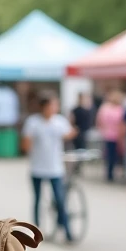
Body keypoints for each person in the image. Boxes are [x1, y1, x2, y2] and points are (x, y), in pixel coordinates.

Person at [22, 92, 77, 241]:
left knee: (60, 200)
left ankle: (66, 230)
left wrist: (73, 126)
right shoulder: (33, 122)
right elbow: (26, 144)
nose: (54, 108)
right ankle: (36, 231)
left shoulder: (59, 121)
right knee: (37, 200)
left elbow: (70, 133)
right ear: (44, 107)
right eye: (52, 105)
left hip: (55, 168)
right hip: (37, 167)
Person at [96, 90, 125, 182]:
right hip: (116, 135)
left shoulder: (105, 108)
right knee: (115, 155)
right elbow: (122, 123)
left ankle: (109, 173)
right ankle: (112, 173)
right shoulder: (120, 109)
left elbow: (99, 121)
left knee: (109, 155)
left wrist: (102, 130)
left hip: (107, 134)